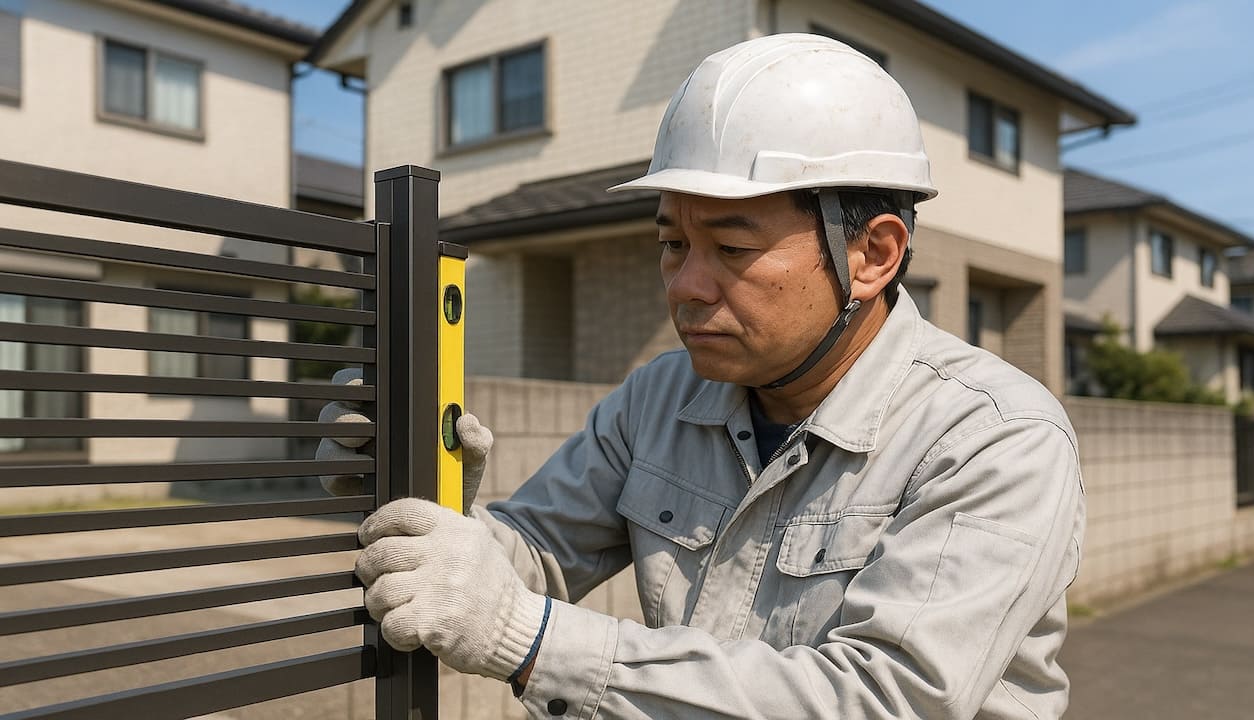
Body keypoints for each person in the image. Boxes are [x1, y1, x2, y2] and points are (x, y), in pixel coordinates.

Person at [319, 33, 1085, 719]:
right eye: (673, 244)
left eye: (733, 248)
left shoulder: (993, 438)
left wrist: (527, 638)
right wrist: (417, 495)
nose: (686, 285)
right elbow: (532, 558)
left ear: (871, 255)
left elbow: (887, 699)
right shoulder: (658, 400)